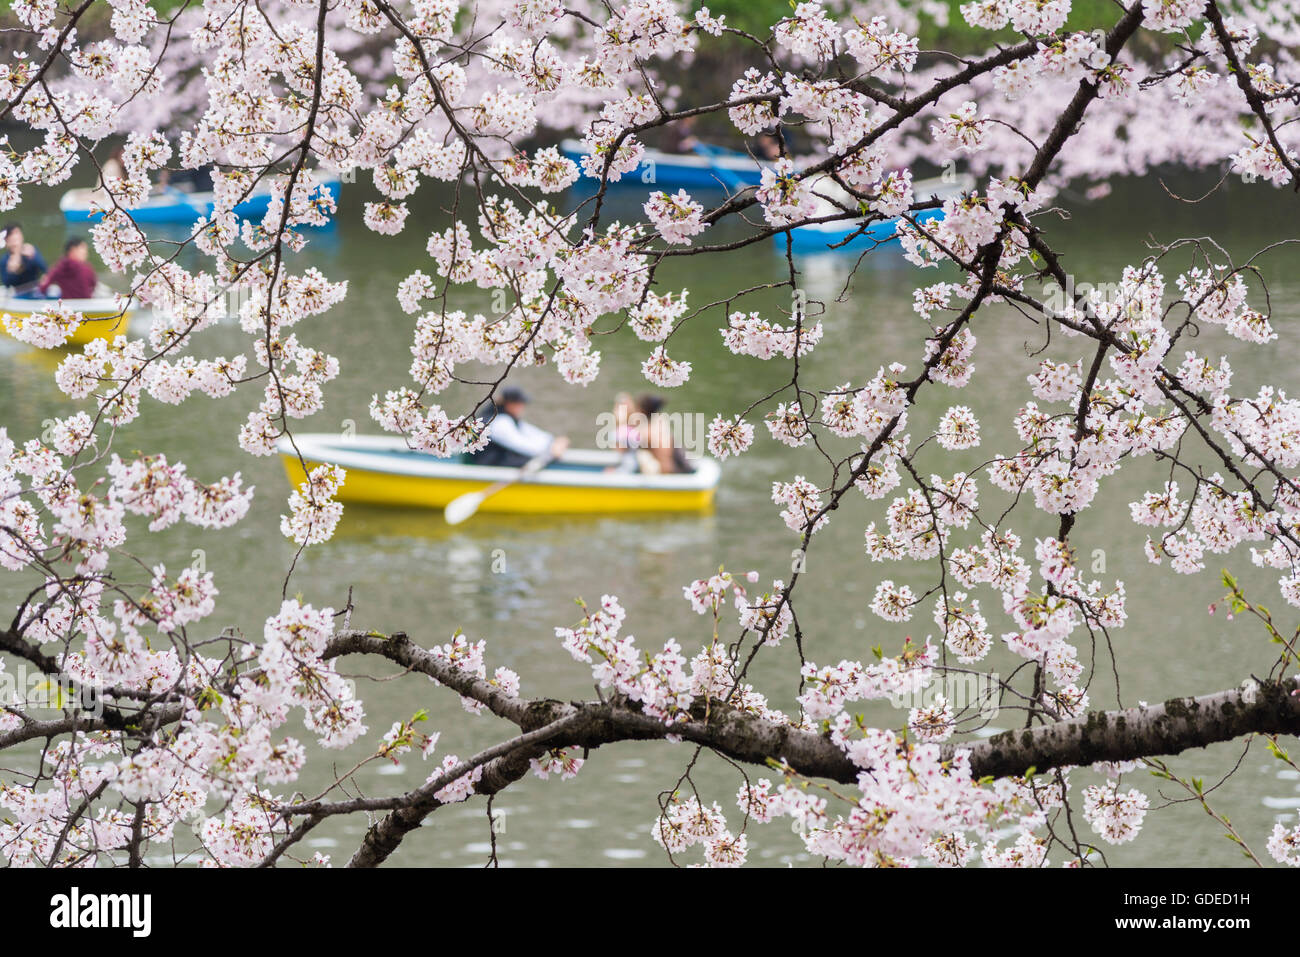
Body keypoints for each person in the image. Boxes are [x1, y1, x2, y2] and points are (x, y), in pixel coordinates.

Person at [469, 386, 569, 468]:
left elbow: (531, 432)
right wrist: (553, 447)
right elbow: (523, 446)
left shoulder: (508, 418)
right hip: (488, 467)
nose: (522, 407)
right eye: (520, 403)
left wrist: (553, 441)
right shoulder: (499, 422)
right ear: (509, 404)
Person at [633, 394, 695, 475]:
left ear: (642, 411)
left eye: (637, 408)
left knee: (640, 455)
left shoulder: (646, 431)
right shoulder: (661, 423)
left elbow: (628, 448)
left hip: (662, 471)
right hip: (672, 467)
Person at [0, 224, 47, 298]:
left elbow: (44, 268)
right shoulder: (5, 260)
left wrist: (33, 256)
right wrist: (13, 268)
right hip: (18, 294)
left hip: (35, 290)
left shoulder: (31, 250)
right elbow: (7, 284)